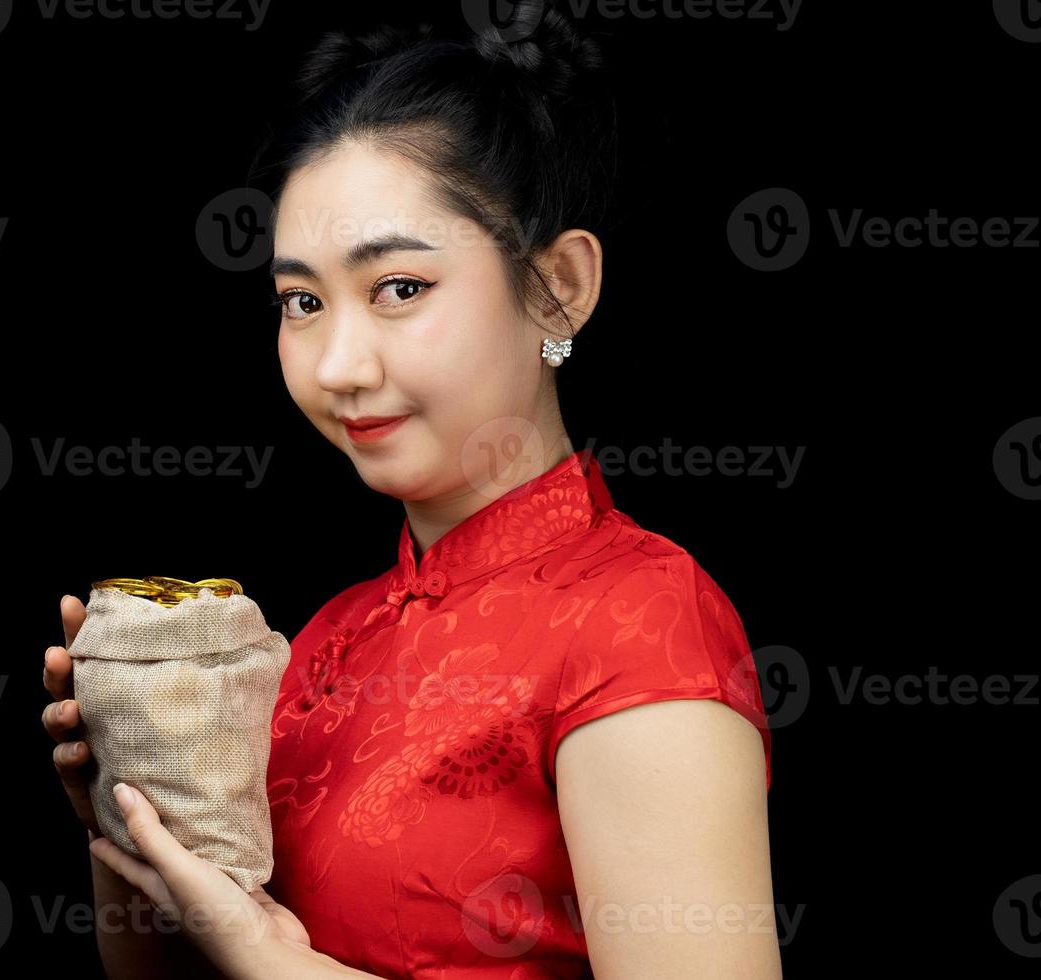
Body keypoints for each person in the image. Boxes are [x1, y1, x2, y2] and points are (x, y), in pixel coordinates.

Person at [44, 3, 779, 976]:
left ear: (558, 284)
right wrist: (134, 826)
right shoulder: (317, 648)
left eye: (398, 287)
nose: (339, 363)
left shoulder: (640, 624)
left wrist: (275, 958)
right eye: (303, 302)